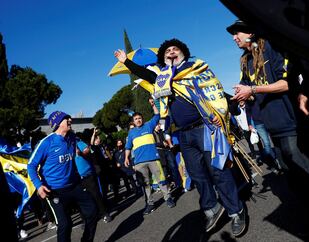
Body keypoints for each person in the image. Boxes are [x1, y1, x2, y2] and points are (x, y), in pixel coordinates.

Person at [115, 38, 246, 236]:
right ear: (163, 58)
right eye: (167, 51)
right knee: (197, 175)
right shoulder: (162, 78)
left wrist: (229, 108)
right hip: (183, 134)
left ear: (183, 52)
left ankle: (236, 211)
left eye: (175, 49)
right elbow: (146, 74)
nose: (171, 52)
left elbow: (215, 90)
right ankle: (212, 209)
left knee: (218, 171)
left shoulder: (196, 68)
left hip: (205, 128)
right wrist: (127, 62)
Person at [227, 19, 309, 239]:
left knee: (307, 175)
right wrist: (242, 97)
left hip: (290, 123)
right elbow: (251, 89)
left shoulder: (272, 47)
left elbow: (288, 83)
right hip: (271, 127)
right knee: (294, 178)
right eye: (232, 34)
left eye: (237, 32)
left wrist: (253, 89)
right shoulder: (245, 60)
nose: (234, 37)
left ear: (251, 32)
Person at [27, 111, 98, 242]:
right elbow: (31, 166)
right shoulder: (46, 143)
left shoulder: (72, 137)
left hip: (74, 185)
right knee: (65, 225)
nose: (70, 119)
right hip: (54, 191)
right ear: (57, 123)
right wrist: (39, 186)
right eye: (66, 118)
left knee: (93, 212)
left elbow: (85, 147)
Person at [124, 99, 175, 215]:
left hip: (153, 159)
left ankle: (168, 198)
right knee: (145, 184)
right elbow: (128, 147)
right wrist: (127, 158)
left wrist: (153, 105)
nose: (138, 120)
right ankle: (150, 204)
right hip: (139, 163)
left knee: (161, 180)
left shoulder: (148, 125)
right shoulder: (131, 133)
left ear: (142, 119)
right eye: (136, 119)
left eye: (140, 118)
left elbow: (157, 115)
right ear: (133, 121)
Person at [75, 132, 112, 223]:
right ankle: (86, 219)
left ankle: (104, 214)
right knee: (82, 200)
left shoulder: (79, 143)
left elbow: (87, 150)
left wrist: (81, 153)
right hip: (77, 178)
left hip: (88, 175)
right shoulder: (64, 147)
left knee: (96, 195)